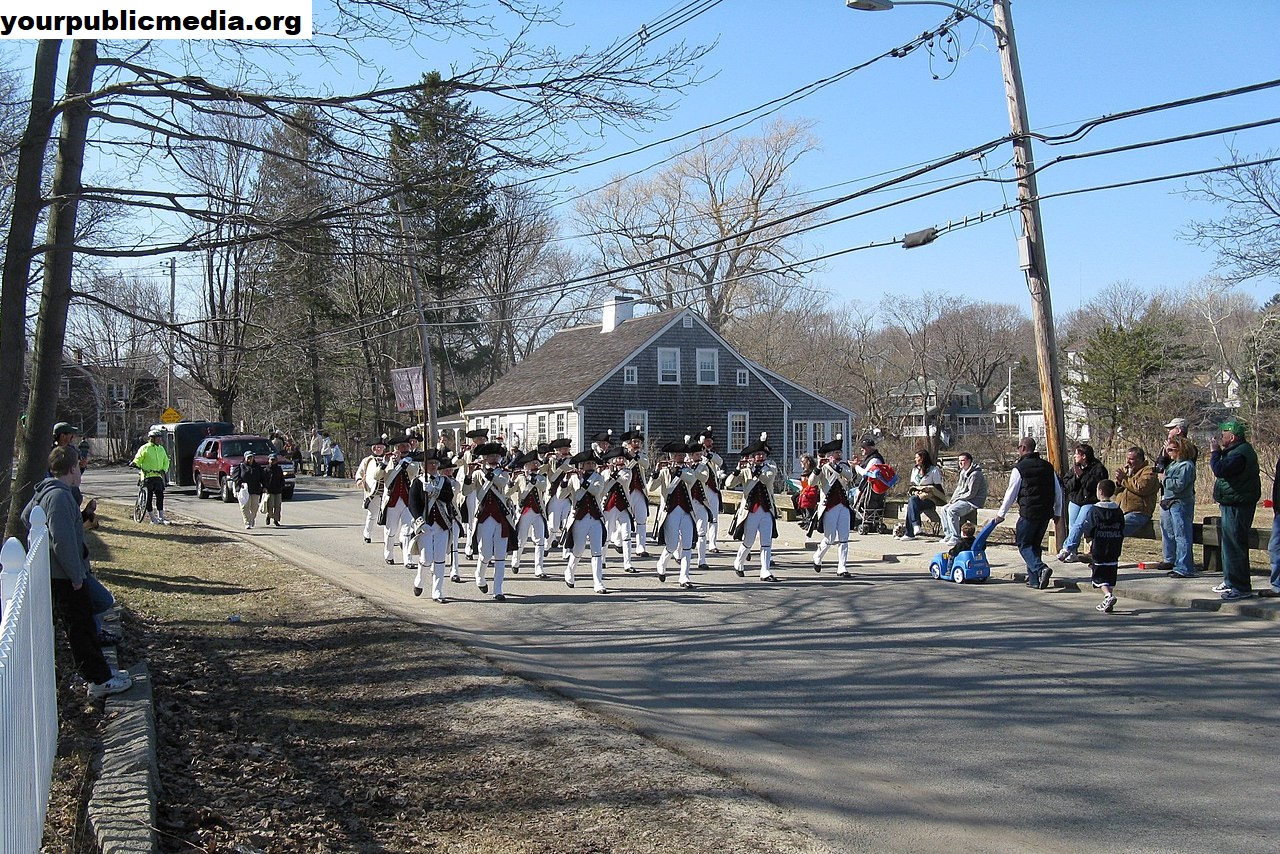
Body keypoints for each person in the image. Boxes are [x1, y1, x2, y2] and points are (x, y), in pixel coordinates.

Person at [22, 446, 132, 698]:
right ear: (72, 469)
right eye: (80, 466)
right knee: (80, 629)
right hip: (68, 578)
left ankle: (101, 672)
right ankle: (98, 681)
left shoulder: (47, 490)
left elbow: (27, 517)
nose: (82, 470)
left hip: (69, 575)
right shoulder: (59, 497)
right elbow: (63, 542)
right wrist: (75, 576)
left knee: (89, 619)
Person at [993, 436, 1063, 590]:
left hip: (1028, 513)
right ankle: (1034, 580)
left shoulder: (1020, 468)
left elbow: (1011, 493)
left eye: (1018, 447)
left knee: (1024, 544)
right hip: (1045, 513)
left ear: (1023, 448)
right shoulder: (1047, 466)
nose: (1018, 450)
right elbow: (1058, 491)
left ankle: (1041, 569)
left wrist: (1001, 514)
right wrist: (1057, 511)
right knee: (1035, 546)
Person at [1209, 419, 1260, 601]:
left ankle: (1240, 587)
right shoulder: (1235, 451)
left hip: (1239, 505)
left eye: (1223, 435)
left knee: (1235, 545)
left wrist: (1215, 453)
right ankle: (1230, 580)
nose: (1220, 438)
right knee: (1228, 545)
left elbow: (1220, 470)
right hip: (1231, 503)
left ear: (1232, 436)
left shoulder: (1240, 454)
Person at [462, 441, 514, 600]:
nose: (494, 458)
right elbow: (466, 491)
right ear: (484, 457)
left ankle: (498, 590)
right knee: (485, 553)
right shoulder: (477, 474)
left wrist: (488, 472)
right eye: (491, 456)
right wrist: (469, 475)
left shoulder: (503, 472)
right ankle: (479, 575)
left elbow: (501, 483)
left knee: (500, 555)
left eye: (497, 456)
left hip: (501, 517)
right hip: (484, 517)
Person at [725, 433, 780, 582]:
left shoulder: (770, 467)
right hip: (750, 511)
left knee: (766, 541)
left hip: (766, 510)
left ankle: (765, 571)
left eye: (762, 454)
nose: (760, 457)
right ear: (752, 457)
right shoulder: (745, 471)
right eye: (757, 454)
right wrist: (737, 469)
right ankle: (739, 562)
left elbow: (767, 479)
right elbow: (729, 483)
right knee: (748, 541)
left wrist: (755, 471)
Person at [649, 439, 703, 588]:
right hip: (670, 511)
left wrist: (678, 471)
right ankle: (662, 563)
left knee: (687, 545)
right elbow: (651, 488)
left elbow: (691, 480)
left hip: (686, 511)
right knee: (672, 545)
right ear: (671, 456)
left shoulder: (687, 470)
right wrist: (655, 472)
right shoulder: (664, 471)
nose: (679, 457)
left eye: (681, 454)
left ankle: (684, 577)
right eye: (676, 455)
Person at [408, 449, 459, 602]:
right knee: (426, 558)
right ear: (424, 465)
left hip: (442, 524)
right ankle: (420, 578)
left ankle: (437, 591)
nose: (433, 466)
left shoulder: (444, 481)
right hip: (425, 524)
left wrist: (434, 490)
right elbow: (413, 504)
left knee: (439, 558)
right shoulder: (417, 482)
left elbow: (448, 497)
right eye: (430, 463)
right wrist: (420, 522)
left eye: (436, 463)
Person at [564, 449, 613, 593]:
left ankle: (598, 583)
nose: (591, 465)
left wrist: (582, 482)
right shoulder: (573, 478)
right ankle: (569, 571)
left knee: (597, 550)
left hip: (595, 517)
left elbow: (596, 491)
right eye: (588, 463)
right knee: (578, 549)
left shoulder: (598, 478)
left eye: (592, 463)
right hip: (579, 517)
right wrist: (566, 480)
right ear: (581, 465)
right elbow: (562, 495)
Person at [808, 435, 856, 577]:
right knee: (830, 538)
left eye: (839, 453)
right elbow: (811, 482)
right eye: (836, 454)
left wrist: (838, 468)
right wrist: (818, 467)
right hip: (829, 506)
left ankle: (842, 567)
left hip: (843, 505)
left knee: (844, 538)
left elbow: (849, 477)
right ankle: (818, 556)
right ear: (829, 456)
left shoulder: (843, 467)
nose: (839, 456)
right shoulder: (822, 468)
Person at [1056, 444, 1109, 563]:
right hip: (1075, 500)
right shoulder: (1075, 467)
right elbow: (1067, 483)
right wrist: (1076, 477)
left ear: (1084, 456)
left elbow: (1095, 486)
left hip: (1089, 501)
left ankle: (1066, 548)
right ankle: (1073, 553)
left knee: (1080, 524)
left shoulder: (1098, 468)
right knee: (1072, 525)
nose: (1074, 456)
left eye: (1076, 454)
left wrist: (1082, 476)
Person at [508, 449, 550, 579]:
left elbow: (544, 488)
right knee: (521, 539)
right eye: (533, 463)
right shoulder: (520, 478)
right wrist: (511, 481)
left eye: (536, 463)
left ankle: (539, 568)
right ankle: (515, 560)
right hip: (524, 512)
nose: (536, 465)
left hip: (538, 512)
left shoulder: (541, 478)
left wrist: (532, 478)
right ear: (526, 465)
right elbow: (507, 493)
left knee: (540, 540)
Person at [376, 440, 419, 566]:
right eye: (402, 446)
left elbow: (413, 472)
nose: (405, 448)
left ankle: (408, 559)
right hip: (392, 501)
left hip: (407, 501)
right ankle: (388, 554)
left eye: (407, 446)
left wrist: (401, 461)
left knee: (407, 530)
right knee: (391, 531)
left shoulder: (412, 461)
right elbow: (377, 476)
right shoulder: (388, 461)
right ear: (397, 448)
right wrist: (384, 463)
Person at [1160, 436, 1198, 579]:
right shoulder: (1174, 464)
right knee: (1173, 535)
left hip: (1180, 503)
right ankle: (1177, 563)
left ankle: (1185, 567)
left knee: (1182, 536)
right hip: (1169, 502)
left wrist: (1165, 479)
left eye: (1171, 450)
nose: (1168, 452)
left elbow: (1179, 486)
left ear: (1180, 450)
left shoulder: (1186, 466)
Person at [1084, 480, 1125, 614]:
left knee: (1099, 575)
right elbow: (1122, 527)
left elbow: (1089, 528)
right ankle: (1108, 602)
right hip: (1114, 545)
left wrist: (1089, 540)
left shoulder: (1094, 510)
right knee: (1110, 572)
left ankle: (1108, 596)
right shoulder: (1118, 511)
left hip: (1100, 545)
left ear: (1100, 491)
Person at [939, 452, 988, 546]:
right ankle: (948, 535)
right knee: (944, 508)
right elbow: (959, 489)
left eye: (963, 460)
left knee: (952, 510)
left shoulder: (975, 474)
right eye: (959, 461)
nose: (960, 463)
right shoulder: (963, 472)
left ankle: (955, 537)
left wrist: (957, 499)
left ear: (969, 461)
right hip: (963, 499)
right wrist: (953, 499)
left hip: (974, 501)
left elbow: (971, 493)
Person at [600, 447, 636, 574]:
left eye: (622, 458)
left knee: (626, 535)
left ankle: (628, 563)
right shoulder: (605, 472)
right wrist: (608, 474)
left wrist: (614, 474)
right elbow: (603, 487)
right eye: (618, 458)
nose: (621, 460)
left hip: (624, 506)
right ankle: (602, 559)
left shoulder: (627, 471)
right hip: (609, 506)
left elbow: (624, 482)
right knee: (607, 533)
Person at [899, 449, 944, 541]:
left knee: (911, 504)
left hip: (929, 499)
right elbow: (912, 485)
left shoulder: (933, 470)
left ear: (922, 458)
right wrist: (915, 491)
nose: (915, 459)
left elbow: (938, 487)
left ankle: (910, 532)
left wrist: (927, 491)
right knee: (912, 500)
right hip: (917, 497)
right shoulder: (915, 470)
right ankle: (915, 527)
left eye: (917, 458)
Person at [1113, 447, 1159, 535]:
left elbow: (1141, 488)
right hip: (1121, 511)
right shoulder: (1127, 470)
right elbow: (1116, 492)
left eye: (1131, 459)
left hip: (1139, 513)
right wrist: (1118, 483)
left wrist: (1124, 479)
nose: (1128, 462)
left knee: (1116, 529)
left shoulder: (1149, 472)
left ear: (1140, 459)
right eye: (1127, 458)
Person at [131, 427, 172, 525]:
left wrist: (164, 469)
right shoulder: (145, 448)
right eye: (157, 438)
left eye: (159, 438)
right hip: (147, 475)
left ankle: (161, 517)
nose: (159, 440)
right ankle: (152, 518)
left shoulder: (161, 449)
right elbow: (138, 458)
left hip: (158, 475)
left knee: (160, 495)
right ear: (151, 438)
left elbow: (166, 461)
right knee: (148, 497)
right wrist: (134, 463)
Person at [355, 437, 388, 543]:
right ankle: (367, 533)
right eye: (376, 447)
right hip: (373, 492)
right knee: (372, 514)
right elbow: (360, 472)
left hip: (386, 492)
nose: (378, 449)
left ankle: (387, 538)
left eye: (380, 447)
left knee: (386, 517)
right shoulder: (367, 460)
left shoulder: (388, 460)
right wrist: (359, 480)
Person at [233, 451, 266, 529]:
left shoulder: (258, 467)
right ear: (245, 458)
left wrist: (264, 486)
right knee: (245, 506)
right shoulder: (240, 466)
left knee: (254, 507)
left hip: (255, 489)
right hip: (244, 490)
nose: (250, 459)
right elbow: (235, 477)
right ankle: (247, 522)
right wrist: (240, 483)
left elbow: (263, 478)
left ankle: (251, 518)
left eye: (251, 457)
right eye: (248, 457)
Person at [261, 452, 286, 526]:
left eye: (274, 460)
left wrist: (282, 485)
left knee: (278, 506)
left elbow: (282, 478)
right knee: (270, 506)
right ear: (268, 460)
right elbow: (263, 480)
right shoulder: (266, 469)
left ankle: (276, 520)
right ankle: (269, 516)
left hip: (278, 490)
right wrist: (265, 487)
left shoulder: (279, 469)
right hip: (269, 491)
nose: (273, 461)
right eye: (271, 460)